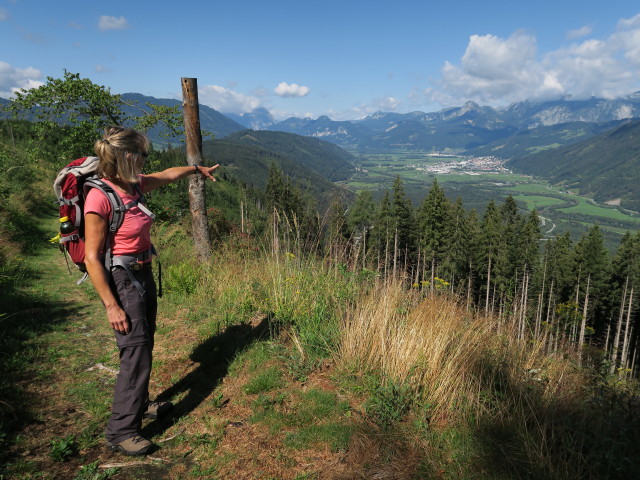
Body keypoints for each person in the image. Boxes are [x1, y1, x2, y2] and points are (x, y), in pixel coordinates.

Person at [84, 126, 218, 456]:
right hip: (123, 281)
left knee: (145, 342)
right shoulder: (99, 197)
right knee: (136, 351)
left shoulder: (133, 184)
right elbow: (91, 258)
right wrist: (111, 306)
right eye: (143, 154)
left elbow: (168, 175)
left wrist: (196, 169)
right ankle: (121, 430)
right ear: (128, 156)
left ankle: (141, 403)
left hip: (143, 274)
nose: (147, 160)